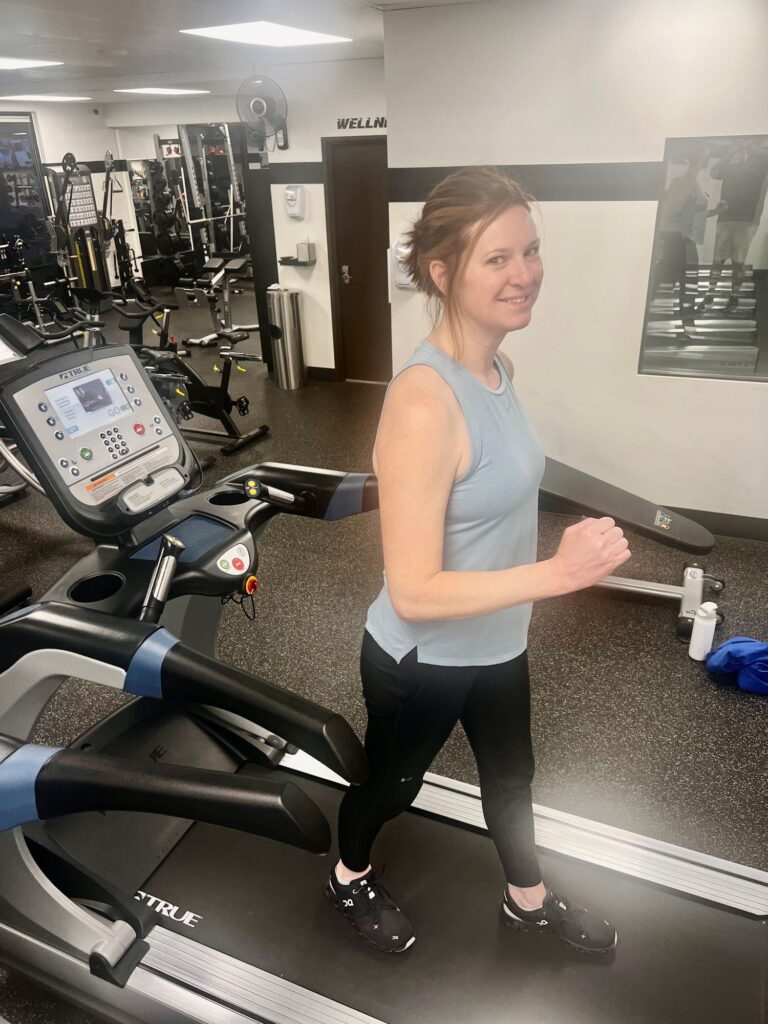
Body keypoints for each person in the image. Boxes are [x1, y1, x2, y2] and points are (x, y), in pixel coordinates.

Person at [326, 166, 631, 957]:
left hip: (498, 641)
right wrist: (559, 574)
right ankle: (349, 874)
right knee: (392, 787)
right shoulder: (423, 402)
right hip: (422, 656)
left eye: (529, 251)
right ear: (441, 272)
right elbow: (413, 591)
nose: (524, 273)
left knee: (512, 778)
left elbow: (497, 478)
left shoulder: (498, 370)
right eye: (497, 258)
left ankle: (527, 899)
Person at [701, 138, 768, 311]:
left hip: (747, 218)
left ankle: (734, 296)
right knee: (718, 259)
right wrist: (730, 153)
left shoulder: (761, 160)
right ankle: (710, 293)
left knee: (738, 262)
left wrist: (751, 147)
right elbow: (714, 173)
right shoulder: (732, 159)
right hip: (726, 216)